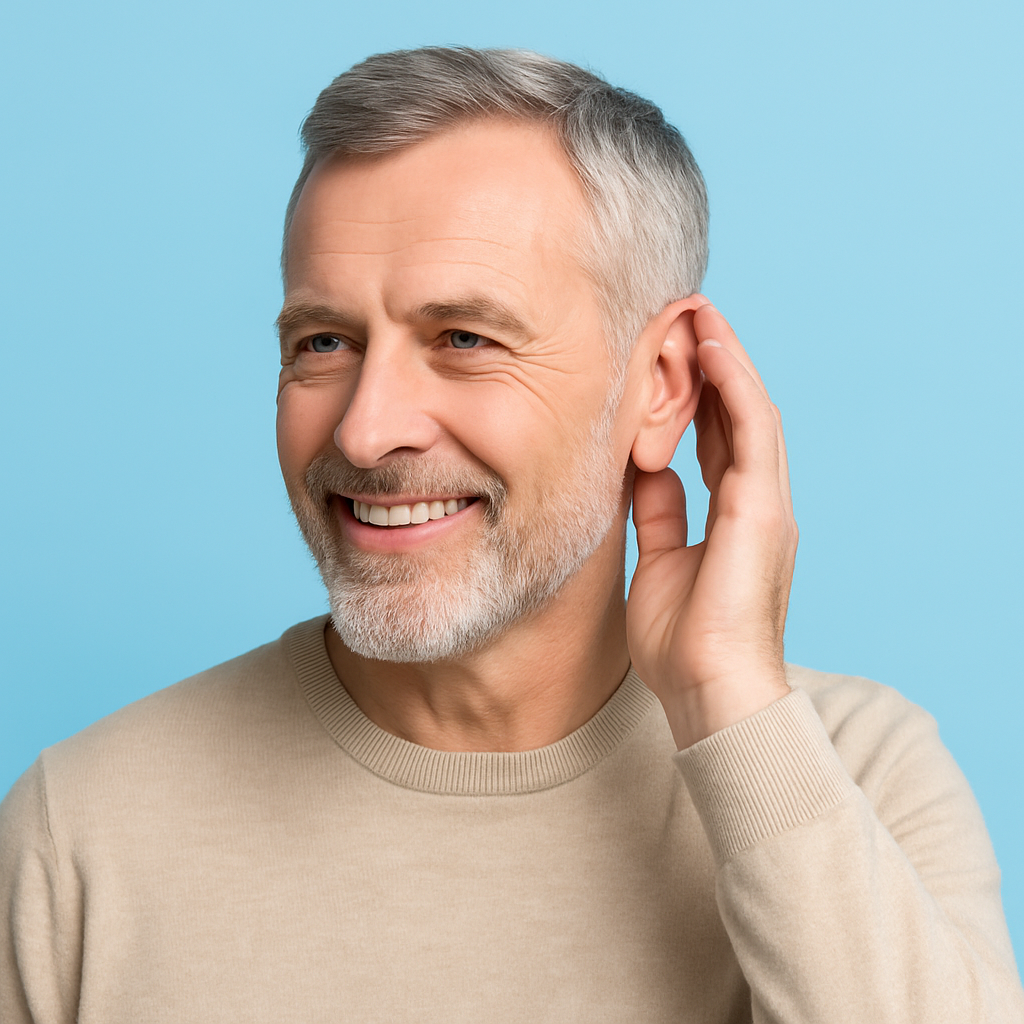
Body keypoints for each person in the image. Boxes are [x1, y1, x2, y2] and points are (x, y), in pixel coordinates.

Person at [1, 46, 1021, 1023]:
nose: (365, 427)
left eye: (463, 339)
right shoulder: (84, 829)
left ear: (658, 387)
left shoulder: (853, 775)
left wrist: (729, 703)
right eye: (324, 341)